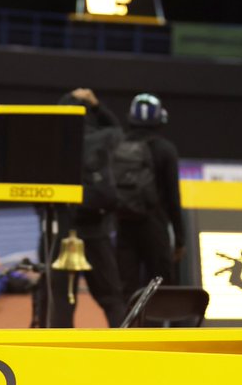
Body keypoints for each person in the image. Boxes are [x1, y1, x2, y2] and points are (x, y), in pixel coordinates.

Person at [31, 87, 126, 328]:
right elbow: (118, 130)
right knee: (112, 298)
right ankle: (129, 349)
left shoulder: (46, 144)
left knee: (59, 299)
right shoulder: (104, 138)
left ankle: (58, 356)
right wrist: (98, 106)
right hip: (95, 230)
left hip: (58, 231)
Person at [114, 92, 184, 302]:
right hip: (154, 226)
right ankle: (155, 331)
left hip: (123, 224)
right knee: (160, 286)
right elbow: (173, 197)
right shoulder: (166, 150)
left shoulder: (117, 145)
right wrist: (180, 239)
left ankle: (127, 331)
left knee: (127, 287)